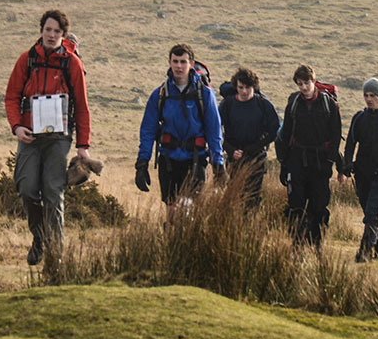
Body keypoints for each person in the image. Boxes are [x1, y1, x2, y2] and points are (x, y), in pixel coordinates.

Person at [4, 9, 91, 265]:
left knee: (53, 193)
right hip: (29, 135)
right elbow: (12, 96)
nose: (51, 35)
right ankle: (40, 238)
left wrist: (83, 145)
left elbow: (82, 106)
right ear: (41, 31)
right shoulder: (27, 59)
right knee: (27, 188)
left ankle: (56, 256)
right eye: (48, 30)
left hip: (59, 137)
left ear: (63, 35)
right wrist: (17, 127)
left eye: (57, 31)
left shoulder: (72, 63)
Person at [135, 44, 225, 214]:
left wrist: (218, 164)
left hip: (195, 158)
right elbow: (147, 131)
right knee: (171, 209)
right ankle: (171, 231)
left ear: (191, 64)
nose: (179, 66)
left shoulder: (205, 94)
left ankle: (185, 231)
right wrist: (142, 163)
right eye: (175, 61)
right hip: (168, 159)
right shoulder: (160, 94)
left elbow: (214, 132)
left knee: (187, 208)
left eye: (183, 62)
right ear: (169, 63)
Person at [275, 64, 343, 246]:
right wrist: (284, 164)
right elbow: (286, 135)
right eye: (300, 84)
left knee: (318, 206)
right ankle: (297, 244)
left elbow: (336, 135)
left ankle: (316, 244)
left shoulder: (329, 104)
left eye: (306, 83)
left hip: (320, 161)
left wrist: (331, 161)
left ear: (314, 81)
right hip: (297, 159)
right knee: (296, 205)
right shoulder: (294, 104)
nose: (304, 87)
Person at [341, 78, 378, 261]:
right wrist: (347, 163)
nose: (369, 99)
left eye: (372, 95)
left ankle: (365, 252)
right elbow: (350, 144)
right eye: (366, 95)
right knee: (369, 213)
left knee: (372, 212)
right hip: (361, 173)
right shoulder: (359, 118)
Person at [219, 67, 280, 210]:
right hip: (234, 158)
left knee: (253, 197)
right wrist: (230, 149)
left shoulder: (264, 105)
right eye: (241, 87)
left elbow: (274, 130)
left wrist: (256, 147)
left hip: (256, 158)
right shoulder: (227, 105)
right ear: (236, 87)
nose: (244, 91)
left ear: (254, 87)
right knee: (233, 194)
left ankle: (250, 221)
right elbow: (216, 130)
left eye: (248, 87)